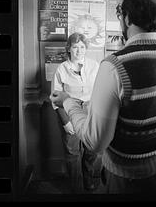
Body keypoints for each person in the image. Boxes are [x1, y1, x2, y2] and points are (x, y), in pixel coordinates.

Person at [50, 0, 156, 195]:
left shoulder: (114, 66)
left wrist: (67, 101)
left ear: (126, 19)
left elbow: (96, 142)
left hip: (127, 178)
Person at [51, 32, 101, 193]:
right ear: (69, 49)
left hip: (90, 110)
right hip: (69, 110)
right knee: (73, 152)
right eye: (75, 47)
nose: (79, 50)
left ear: (86, 48)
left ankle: (88, 179)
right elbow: (55, 98)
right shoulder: (61, 69)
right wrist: (65, 121)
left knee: (91, 148)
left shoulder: (95, 66)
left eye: (82, 47)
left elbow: (100, 91)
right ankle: (76, 186)